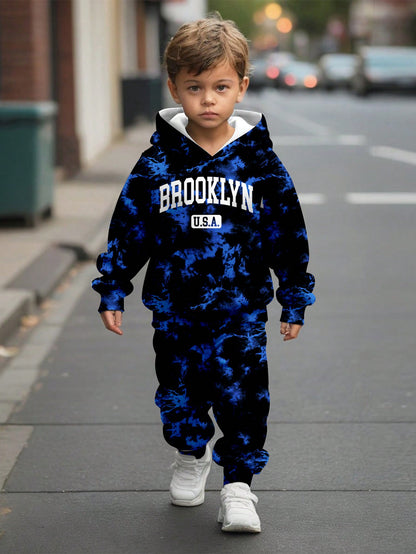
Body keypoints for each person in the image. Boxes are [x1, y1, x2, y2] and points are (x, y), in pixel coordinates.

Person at [92, 13, 315, 534]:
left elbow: (288, 234)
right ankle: (190, 456)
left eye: (220, 87)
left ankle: (239, 487)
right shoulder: (156, 166)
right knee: (178, 392)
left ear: (242, 86)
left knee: (243, 398)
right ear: (174, 88)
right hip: (174, 311)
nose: (208, 100)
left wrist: (295, 295)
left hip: (241, 312)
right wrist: (112, 288)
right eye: (194, 88)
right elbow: (130, 230)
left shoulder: (262, 165)